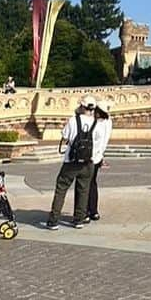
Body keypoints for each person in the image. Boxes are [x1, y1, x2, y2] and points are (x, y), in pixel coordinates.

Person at [45, 96, 101, 230]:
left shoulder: (73, 120)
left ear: (82, 106)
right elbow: (98, 143)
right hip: (88, 162)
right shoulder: (96, 123)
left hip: (71, 161)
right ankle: (78, 219)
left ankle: (54, 220)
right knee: (83, 190)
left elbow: (65, 135)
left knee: (61, 188)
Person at [85, 103, 113, 222]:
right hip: (98, 156)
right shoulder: (108, 122)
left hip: (89, 156)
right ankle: (93, 211)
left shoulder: (95, 123)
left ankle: (85, 212)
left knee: (85, 184)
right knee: (92, 183)